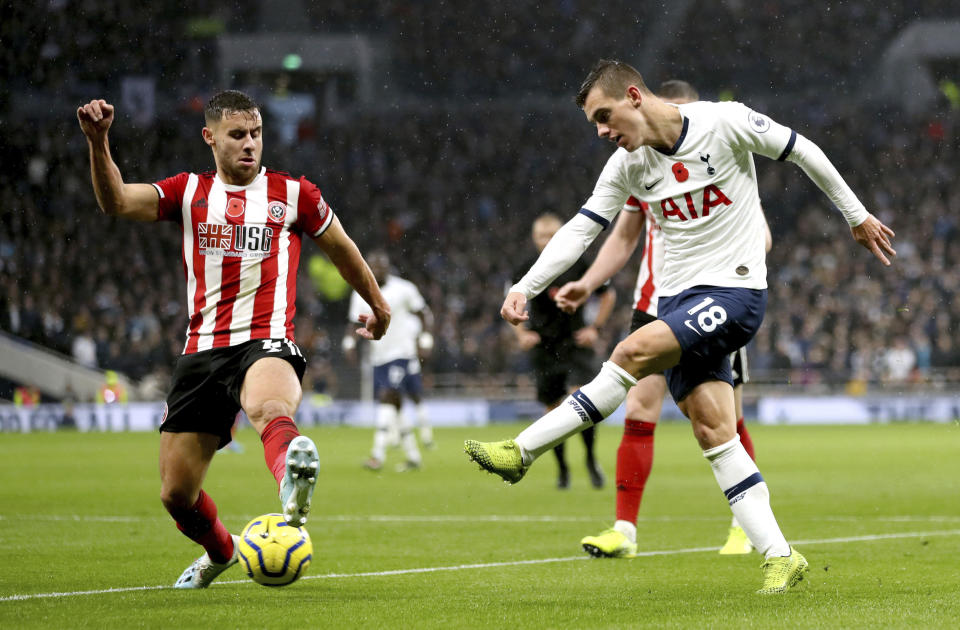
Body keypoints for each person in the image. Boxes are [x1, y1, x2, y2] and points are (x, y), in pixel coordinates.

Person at [465, 60, 895, 594]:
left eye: (604, 116)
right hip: (677, 300)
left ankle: (522, 451)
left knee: (628, 353)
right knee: (713, 428)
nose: (601, 132)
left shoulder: (726, 122)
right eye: (594, 124)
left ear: (633, 96)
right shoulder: (628, 165)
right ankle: (781, 556)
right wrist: (526, 286)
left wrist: (855, 215)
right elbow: (583, 228)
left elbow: (802, 149)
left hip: (735, 293)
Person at [77, 91, 391, 589]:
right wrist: (99, 143)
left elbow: (342, 248)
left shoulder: (294, 194)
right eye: (238, 135)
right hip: (201, 350)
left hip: (265, 340)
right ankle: (221, 552)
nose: (250, 144)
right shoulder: (187, 193)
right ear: (210, 137)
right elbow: (115, 201)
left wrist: (378, 304)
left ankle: (292, 478)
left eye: (257, 134)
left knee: (269, 407)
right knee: (176, 494)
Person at [555, 80, 770, 556]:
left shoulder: (722, 158)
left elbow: (762, 236)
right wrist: (588, 283)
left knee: (725, 418)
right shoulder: (643, 166)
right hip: (654, 302)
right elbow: (623, 237)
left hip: (714, 298)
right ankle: (624, 531)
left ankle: (746, 526)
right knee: (638, 412)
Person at [511, 213, 615, 489]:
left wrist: (595, 328)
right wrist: (522, 333)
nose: (545, 242)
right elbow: (512, 301)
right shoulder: (526, 267)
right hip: (545, 348)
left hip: (574, 344)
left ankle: (591, 459)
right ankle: (563, 469)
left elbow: (607, 294)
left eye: (550, 235)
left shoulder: (577, 264)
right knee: (552, 410)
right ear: (534, 239)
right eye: (541, 236)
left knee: (581, 401)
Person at [344, 250, 434, 472]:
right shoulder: (360, 293)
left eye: (381, 265)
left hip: (401, 353)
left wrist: (425, 338)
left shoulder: (404, 289)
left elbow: (424, 314)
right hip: (378, 356)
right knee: (395, 403)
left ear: (388, 267)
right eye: (373, 265)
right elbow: (351, 323)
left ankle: (377, 455)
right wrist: (349, 343)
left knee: (387, 396)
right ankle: (413, 456)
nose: (378, 269)